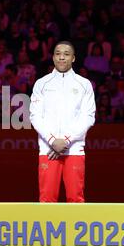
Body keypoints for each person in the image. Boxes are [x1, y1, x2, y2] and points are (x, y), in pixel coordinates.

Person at [29, 41, 95, 203]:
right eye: (58, 54)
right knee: (47, 199)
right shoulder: (41, 84)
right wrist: (52, 141)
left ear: (73, 58)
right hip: (48, 149)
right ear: (53, 57)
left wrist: (65, 141)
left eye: (66, 54)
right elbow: (35, 116)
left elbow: (88, 117)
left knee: (75, 199)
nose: (62, 57)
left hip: (74, 150)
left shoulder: (84, 84)